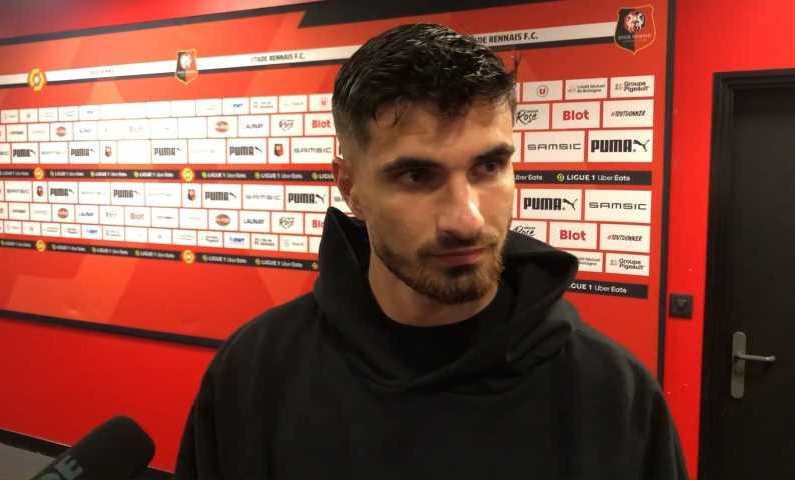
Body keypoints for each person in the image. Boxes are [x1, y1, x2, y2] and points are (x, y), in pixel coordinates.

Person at [176, 23, 687, 479]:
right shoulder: (252, 378)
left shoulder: (615, 397)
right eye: (417, 175)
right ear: (350, 187)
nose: (466, 220)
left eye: (488, 167)